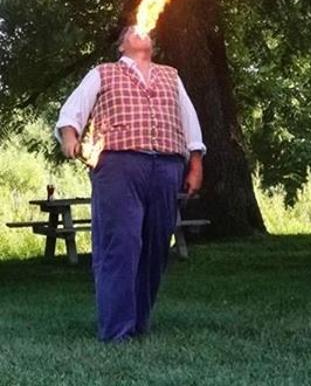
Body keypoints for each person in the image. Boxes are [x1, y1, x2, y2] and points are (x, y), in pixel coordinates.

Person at [55, 26, 205, 342]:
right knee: (121, 244)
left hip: (166, 165)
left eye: (143, 30)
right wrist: (70, 136)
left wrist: (195, 163)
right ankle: (116, 331)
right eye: (131, 30)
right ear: (121, 46)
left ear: (152, 43)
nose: (139, 31)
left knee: (156, 246)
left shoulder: (171, 76)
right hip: (119, 165)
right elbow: (72, 111)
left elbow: (189, 122)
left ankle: (138, 322)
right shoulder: (103, 73)